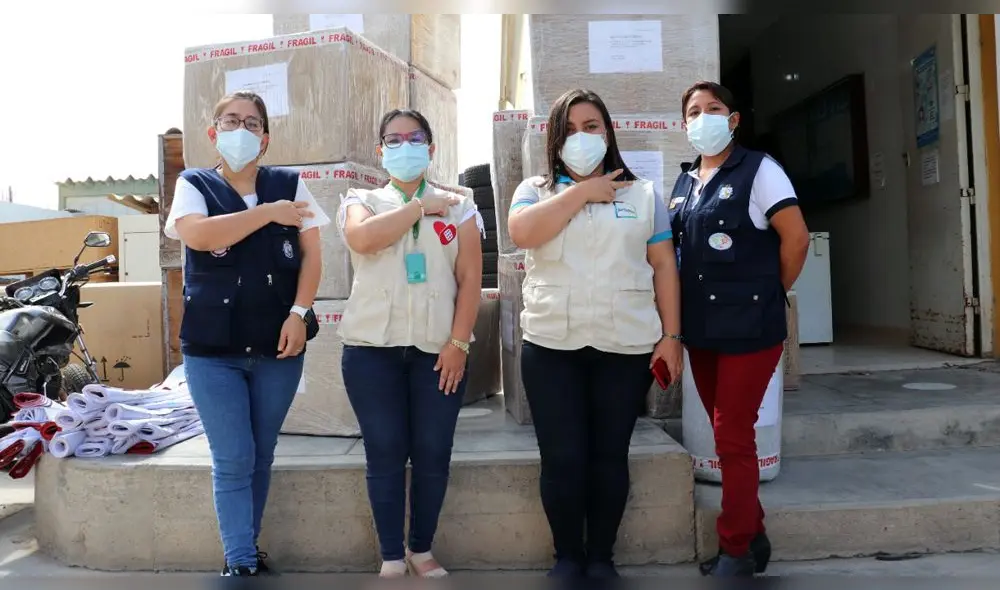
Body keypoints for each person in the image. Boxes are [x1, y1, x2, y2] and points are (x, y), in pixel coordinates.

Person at [506, 88, 683, 579]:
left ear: (608, 134)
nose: (581, 138)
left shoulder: (642, 194)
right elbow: (522, 234)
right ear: (554, 139)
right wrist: (581, 191)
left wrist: (672, 336)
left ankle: (601, 558)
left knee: (609, 456)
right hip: (551, 347)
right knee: (562, 458)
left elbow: (663, 264)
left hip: (623, 346)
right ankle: (567, 557)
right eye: (570, 129)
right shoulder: (534, 190)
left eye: (592, 127)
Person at [164, 90, 331, 577]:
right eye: (231, 121)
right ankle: (239, 561)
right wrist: (266, 213)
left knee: (261, 453)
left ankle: (247, 547)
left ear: (265, 138)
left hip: (279, 347)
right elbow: (199, 235)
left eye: (252, 123)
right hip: (213, 352)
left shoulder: (291, 185)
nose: (242, 130)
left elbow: (313, 256)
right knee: (233, 456)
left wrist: (300, 313)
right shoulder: (193, 184)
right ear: (213, 133)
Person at [668, 81, 810, 578]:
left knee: (731, 437)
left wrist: (771, 292)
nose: (702, 117)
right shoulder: (685, 183)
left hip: (752, 329)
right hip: (702, 331)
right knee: (730, 437)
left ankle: (735, 552)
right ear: (684, 124)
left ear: (733, 120)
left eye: (713, 108)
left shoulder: (760, 170)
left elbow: (796, 238)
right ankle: (754, 533)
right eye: (693, 111)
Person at [337, 109, 483, 579]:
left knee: (433, 450)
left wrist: (459, 343)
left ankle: (421, 549)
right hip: (371, 352)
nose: (404, 146)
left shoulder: (461, 206)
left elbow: (470, 279)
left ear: (431, 148)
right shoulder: (361, 200)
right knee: (383, 450)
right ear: (381, 151)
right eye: (393, 139)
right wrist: (419, 208)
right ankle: (391, 557)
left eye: (414, 138)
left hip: (437, 351)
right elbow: (362, 239)